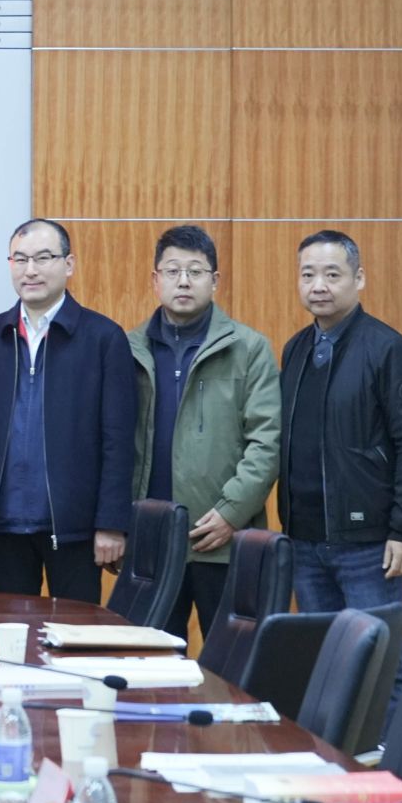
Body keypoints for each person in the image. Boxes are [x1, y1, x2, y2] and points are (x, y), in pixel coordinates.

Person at [279, 230, 402, 687]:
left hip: (368, 544)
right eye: (308, 275)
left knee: (381, 663)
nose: (319, 286)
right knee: (324, 667)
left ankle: (389, 738)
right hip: (305, 539)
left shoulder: (388, 348)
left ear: (359, 278)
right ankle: (334, 740)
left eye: (332, 274)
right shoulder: (296, 348)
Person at [0, 219, 137, 603]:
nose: (30, 270)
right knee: (9, 632)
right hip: (3, 524)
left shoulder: (103, 338)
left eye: (43, 258)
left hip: (75, 526)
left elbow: (118, 439)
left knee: (77, 633)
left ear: (68, 264)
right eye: (20, 259)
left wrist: (111, 522)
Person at [127, 225, 281, 639]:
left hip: (221, 539)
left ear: (215, 281)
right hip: (152, 538)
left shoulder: (248, 348)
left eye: (195, 271)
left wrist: (231, 512)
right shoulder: (129, 349)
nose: (183, 281)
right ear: (155, 279)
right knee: (152, 660)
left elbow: (266, 441)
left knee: (228, 659)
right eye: (172, 270)